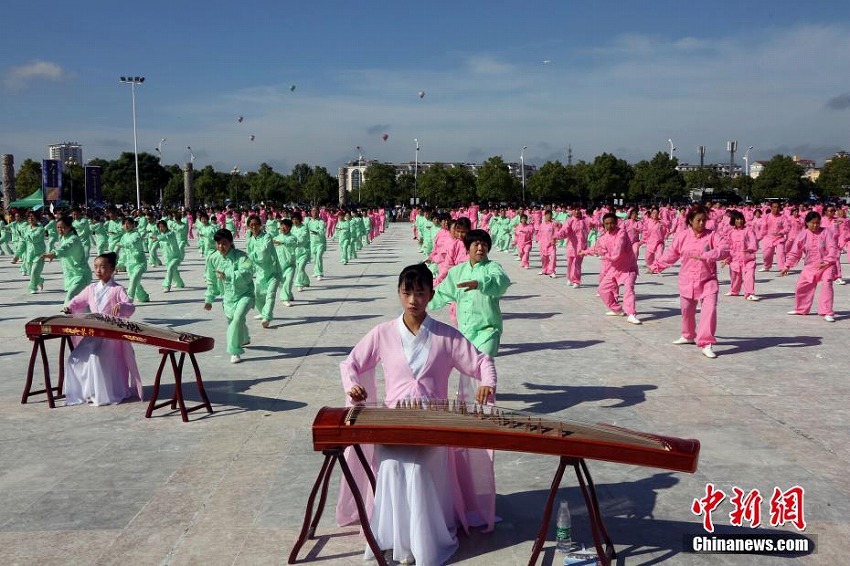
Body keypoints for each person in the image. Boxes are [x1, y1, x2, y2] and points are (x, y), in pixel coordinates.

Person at [338, 263, 497, 565]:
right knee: (391, 468)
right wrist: (354, 386)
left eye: (420, 293)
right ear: (399, 294)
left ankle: (424, 542)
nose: (413, 300)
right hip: (393, 422)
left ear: (431, 295)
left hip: (433, 423)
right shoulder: (383, 333)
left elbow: (481, 362)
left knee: (422, 468)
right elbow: (350, 364)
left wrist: (487, 384)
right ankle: (390, 538)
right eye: (407, 293)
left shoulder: (446, 336)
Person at [62, 252, 143, 406]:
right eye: (96, 267)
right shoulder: (91, 288)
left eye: (103, 267)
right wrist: (69, 308)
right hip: (94, 332)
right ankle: (86, 392)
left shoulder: (117, 289)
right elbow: (76, 301)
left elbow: (130, 306)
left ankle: (105, 394)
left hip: (111, 335)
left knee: (95, 357)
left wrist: (121, 306)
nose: (98, 270)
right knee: (75, 358)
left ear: (112, 269)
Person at [652, 205, 730, 359]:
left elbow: (725, 249)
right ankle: (688, 335)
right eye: (698, 220)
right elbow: (672, 253)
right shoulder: (682, 236)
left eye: (704, 220)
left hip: (708, 280)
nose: (701, 223)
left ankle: (706, 343)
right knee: (687, 311)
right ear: (690, 221)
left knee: (709, 310)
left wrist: (708, 254)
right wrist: (658, 265)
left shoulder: (712, 236)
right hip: (687, 280)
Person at [429, 229, 511, 357]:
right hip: (465, 332)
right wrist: (423, 299)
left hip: (487, 331)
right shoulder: (457, 272)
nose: (480, 248)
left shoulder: (493, 267)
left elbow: (502, 281)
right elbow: (441, 292)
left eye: (484, 245)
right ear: (467, 249)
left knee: (483, 361)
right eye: (476, 244)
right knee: (468, 371)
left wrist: (480, 284)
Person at [203, 229, 255, 363]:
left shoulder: (241, 256)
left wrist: (228, 275)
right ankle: (244, 337)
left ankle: (234, 351)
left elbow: (248, 272)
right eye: (218, 243)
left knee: (237, 318)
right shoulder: (213, 258)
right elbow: (211, 280)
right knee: (234, 321)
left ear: (231, 242)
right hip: (227, 297)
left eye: (224, 243)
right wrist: (209, 299)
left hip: (245, 294)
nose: (221, 247)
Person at [581, 212, 642, 324]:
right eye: (607, 224)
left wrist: (605, 255)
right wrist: (585, 252)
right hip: (615, 269)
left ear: (616, 223)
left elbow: (616, 253)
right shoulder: (604, 238)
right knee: (602, 289)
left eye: (612, 223)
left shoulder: (622, 234)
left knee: (629, 289)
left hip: (628, 267)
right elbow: (596, 249)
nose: (609, 226)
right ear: (603, 225)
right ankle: (617, 309)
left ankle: (631, 313)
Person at [781, 211, 838, 322]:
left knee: (827, 284)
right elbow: (795, 252)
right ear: (807, 223)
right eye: (812, 223)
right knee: (801, 286)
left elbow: (832, 248)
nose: (815, 225)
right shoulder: (802, 234)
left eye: (817, 223)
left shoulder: (826, 232)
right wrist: (787, 265)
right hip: (810, 265)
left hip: (826, 265)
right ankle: (801, 309)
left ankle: (827, 312)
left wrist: (828, 261)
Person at [42, 216, 93, 308]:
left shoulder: (73, 239)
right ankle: (92, 318)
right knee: (83, 304)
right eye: (58, 227)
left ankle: (67, 314)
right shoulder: (63, 238)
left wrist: (54, 254)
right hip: (71, 276)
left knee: (69, 299)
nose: (60, 230)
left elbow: (66, 248)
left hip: (81, 275)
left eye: (63, 227)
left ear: (69, 227)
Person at [246, 214, 281, 328]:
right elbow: (249, 258)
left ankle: (266, 317)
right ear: (248, 227)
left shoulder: (267, 237)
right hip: (260, 273)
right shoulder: (250, 240)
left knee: (270, 295)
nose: (254, 227)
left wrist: (252, 256)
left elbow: (264, 253)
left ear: (260, 225)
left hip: (273, 271)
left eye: (256, 224)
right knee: (257, 295)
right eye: (251, 225)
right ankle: (262, 312)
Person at [724, 210, 760, 301]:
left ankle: (749, 293)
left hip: (748, 258)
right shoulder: (731, 233)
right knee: (735, 276)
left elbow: (753, 240)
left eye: (740, 219)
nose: (739, 221)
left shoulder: (748, 230)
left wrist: (751, 248)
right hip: (735, 258)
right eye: (737, 219)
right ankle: (734, 291)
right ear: (733, 221)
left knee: (749, 275)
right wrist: (727, 258)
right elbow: (728, 246)